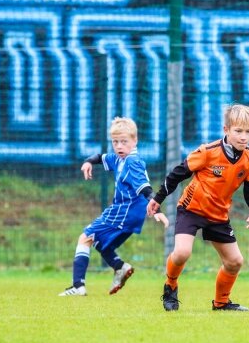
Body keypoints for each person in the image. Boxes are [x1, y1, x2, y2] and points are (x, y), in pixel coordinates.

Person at [146, 103, 249, 312]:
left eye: (248, 131)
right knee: (182, 253)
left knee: (235, 261)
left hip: (218, 214)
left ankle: (221, 303)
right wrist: (158, 198)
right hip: (191, 209)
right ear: (226, 130)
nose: (244, 137)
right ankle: (170, 286)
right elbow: (177, 173)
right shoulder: (208, 152)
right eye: (238, 131)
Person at [59, 117, 168, 297]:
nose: (119, 146)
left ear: (135, 140)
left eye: (124, 142)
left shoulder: (132, 161)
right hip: (131, 213)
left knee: (85, 237)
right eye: (115, 142)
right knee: (101, 243)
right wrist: (88, 161)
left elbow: (145, 187)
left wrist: (156, 209)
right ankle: (120, 267)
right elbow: (100, 157)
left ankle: (78, 286)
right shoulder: (119, 158)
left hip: (124, 211)